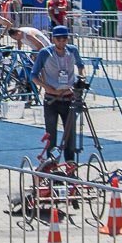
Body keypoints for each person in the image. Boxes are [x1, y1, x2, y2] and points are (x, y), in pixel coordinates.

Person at [30, 25, 86, 163]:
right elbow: (33, 75)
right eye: (58, 39)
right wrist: (46, 87)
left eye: (64, 39)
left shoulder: (73, 51)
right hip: (52, 100)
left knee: (70, 136)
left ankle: (70, 165)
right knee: (51, 135)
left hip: (69, 99)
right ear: (53, 39)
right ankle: (52, 165)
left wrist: (81, 79)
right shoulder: (45, 53)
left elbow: (81, 65)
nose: (61, 42)